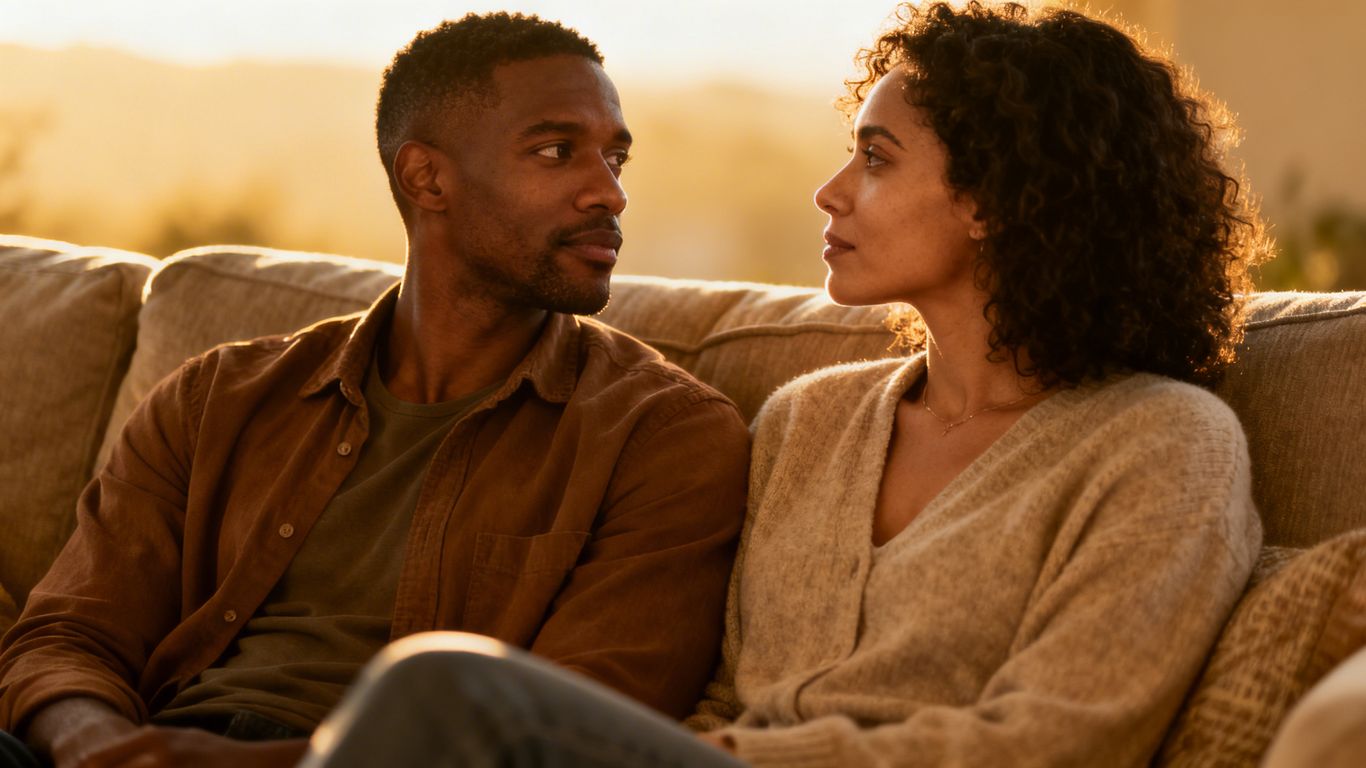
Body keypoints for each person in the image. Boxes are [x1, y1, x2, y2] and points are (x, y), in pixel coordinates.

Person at [294, 3, 1271, 767]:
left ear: (995, 201)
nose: (831, 190)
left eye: (875, 159)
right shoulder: (814, 418)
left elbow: (1054, 746)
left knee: (445, 693)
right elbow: (719, 692)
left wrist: (724, 757)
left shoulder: (1162, 442)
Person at [0, 12, 749, 768]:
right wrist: (98, 744)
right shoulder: (214, 398)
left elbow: (557, 731)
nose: (610, 194)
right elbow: (68, 636)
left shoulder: (664, 436)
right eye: (558, 152)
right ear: (427, 177)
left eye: (616, 158)